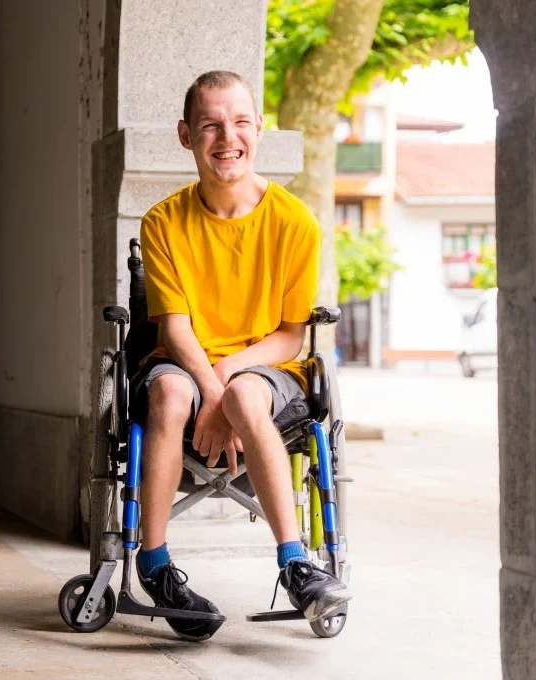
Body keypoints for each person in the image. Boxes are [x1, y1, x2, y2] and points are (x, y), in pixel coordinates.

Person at [131, 70, 351, 640]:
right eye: (209, 125)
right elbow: (176, 332)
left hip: (263, 368)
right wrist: (209, 393)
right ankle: (153, 563)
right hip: (185, 364)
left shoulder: (293, 221)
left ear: (258, 129)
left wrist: (225, 392)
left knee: (247, 393)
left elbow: (288, 336)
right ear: (186, 135)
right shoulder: (162, 222)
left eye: (239, 122)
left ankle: (297, 563)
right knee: (169, 389)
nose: (227, 137)